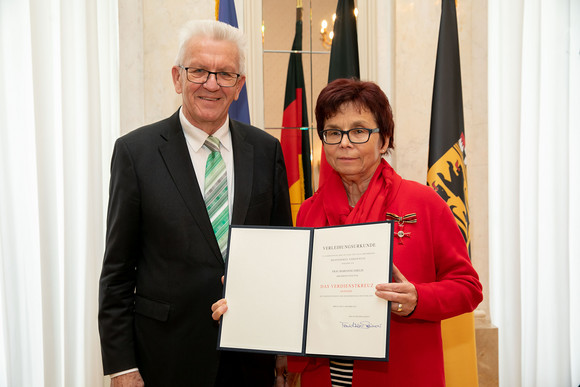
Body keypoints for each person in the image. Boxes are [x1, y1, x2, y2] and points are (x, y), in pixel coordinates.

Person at [212, 78, 483, 386]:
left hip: (401, 374)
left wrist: (417, 298)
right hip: (323, 376)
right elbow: (296, 293)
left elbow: (468, 287)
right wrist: (250, 295)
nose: (344, 142)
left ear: (384, 140)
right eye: (333, 132)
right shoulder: (309, 210)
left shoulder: (423, 202)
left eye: (358, 131)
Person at [98, 20, 292, 387]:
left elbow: (281, 256)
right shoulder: (135, 153)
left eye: (225, 73)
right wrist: (122, 367)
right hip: (165, 358)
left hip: (250, 358)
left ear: (239, 86)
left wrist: (282, 350)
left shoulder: (266, 151)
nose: (212, 83)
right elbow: (117, 273)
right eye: (199, 70)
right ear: (177, 77)